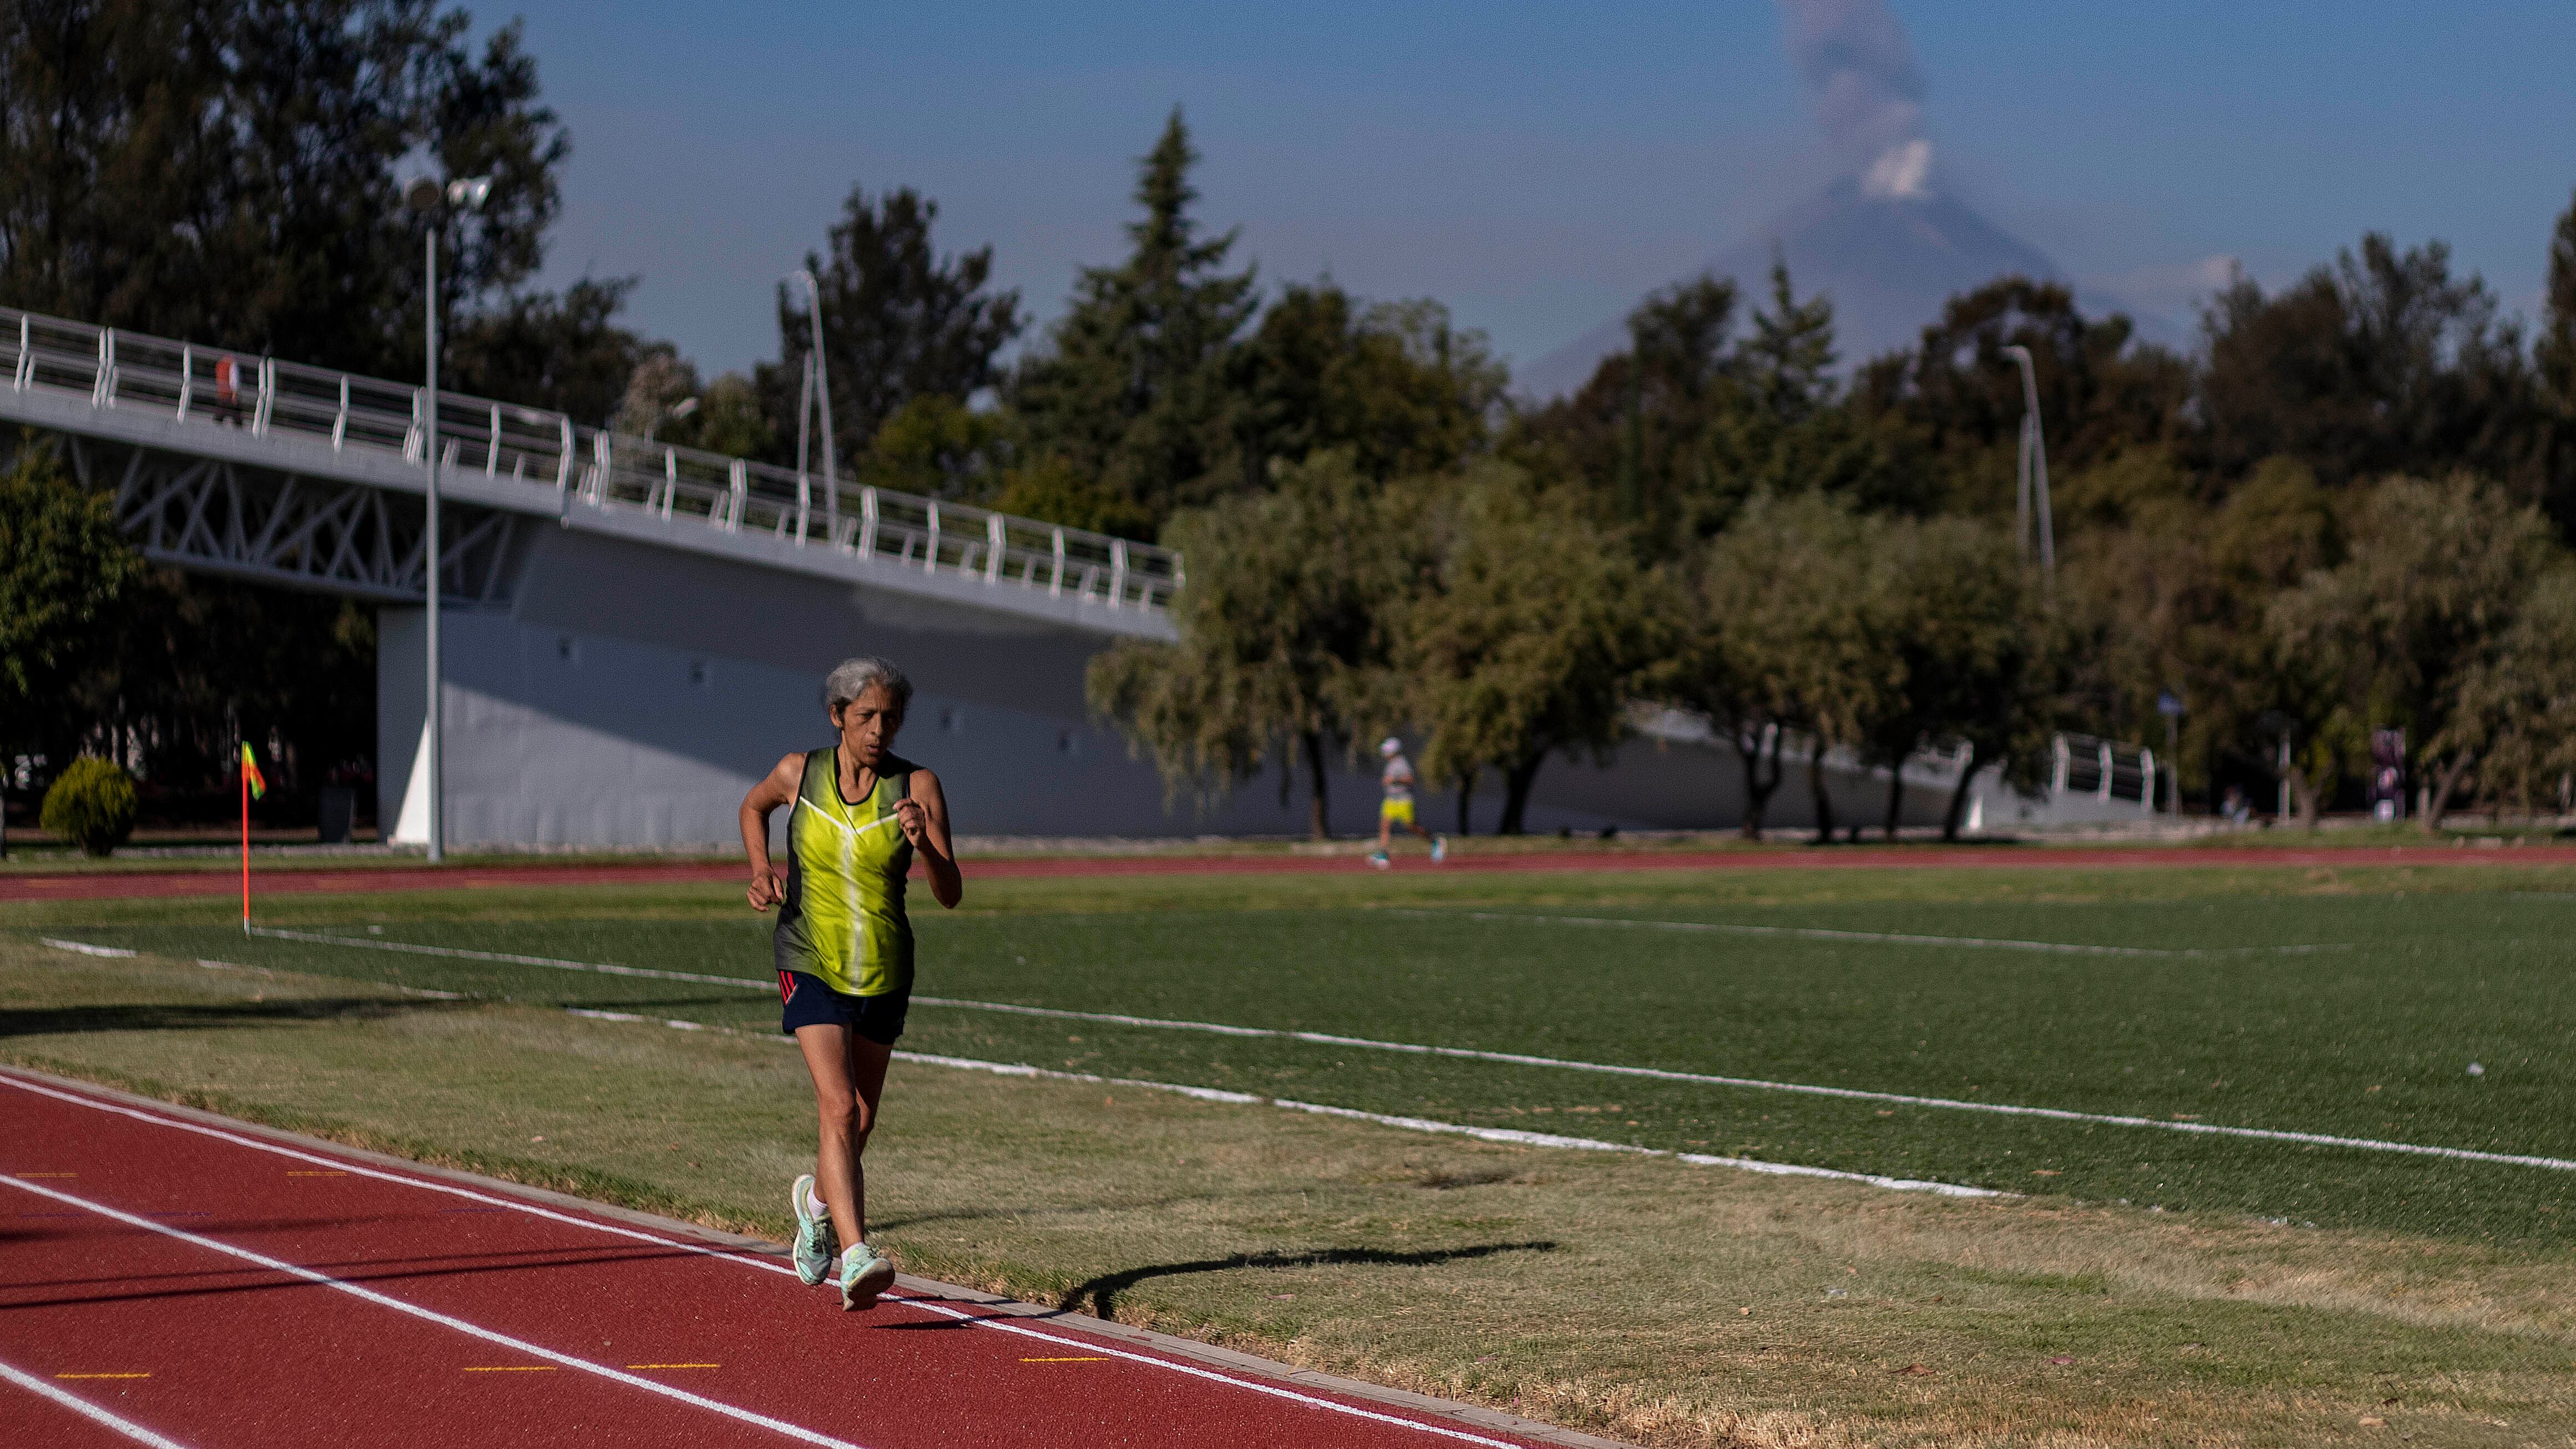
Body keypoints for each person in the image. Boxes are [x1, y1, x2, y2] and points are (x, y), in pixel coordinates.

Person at [740, 656, 962, 1310]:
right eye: (865, 715)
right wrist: (759, 869)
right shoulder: (796, 773)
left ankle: (814, 1204)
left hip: (885, 966)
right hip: (807, 952)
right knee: (837, 1106)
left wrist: (924, 845)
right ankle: (856, 1251)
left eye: (890, 717)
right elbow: (753, 808)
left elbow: (950, 893)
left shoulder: (918, 783)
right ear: (837, 715)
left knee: (860, 1117)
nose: (878, 728)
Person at [1369, 736, 1445, 868]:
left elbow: (1410, 779)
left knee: (1410, 826)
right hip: (1391, 799)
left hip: (1404, 799)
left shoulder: (1401, 763)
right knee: (1385, 825)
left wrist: (1394, 781)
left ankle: (1434, 841)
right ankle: (1383, 853)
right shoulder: (1391, 764)